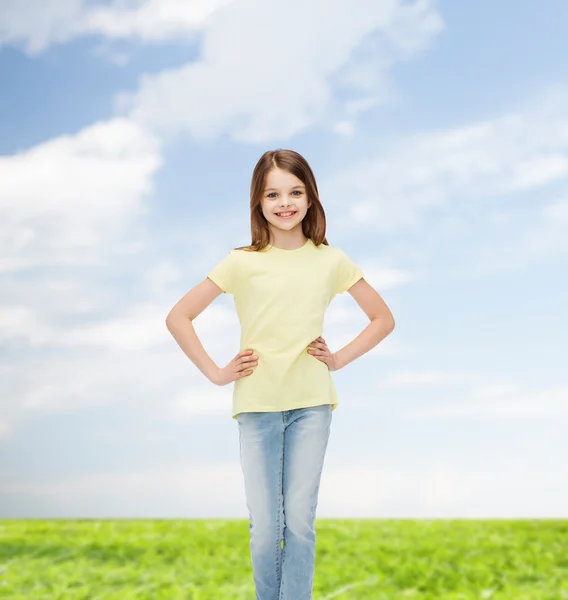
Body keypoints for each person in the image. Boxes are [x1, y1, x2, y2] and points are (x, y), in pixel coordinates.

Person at [165, 148, 395, 599]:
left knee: (300, 523)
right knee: (267, 526)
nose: (284, 202)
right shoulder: (240, 261)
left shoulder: (331, 260)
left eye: (295, 192)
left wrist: (340, 358)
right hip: (256, 405)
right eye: (273, 194)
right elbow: (178, 316)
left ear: (311, 199)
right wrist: (216, 372)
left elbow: (383, 319)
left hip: (311, 403)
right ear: (258, 201)